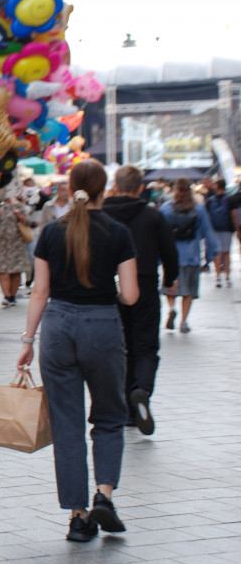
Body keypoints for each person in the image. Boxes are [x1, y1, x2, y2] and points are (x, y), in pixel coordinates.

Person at [17, 159, 139, 543]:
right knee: (108, 416)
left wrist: (27, 341)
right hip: (102, 325)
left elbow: (39, 291)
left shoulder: (51, 232)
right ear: (106, 190)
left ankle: (78, 517)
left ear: (70, 188)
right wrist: (109, 291)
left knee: (67, 424)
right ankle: (104, 494)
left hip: (56, 329)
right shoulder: (119, 232)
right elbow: (131, 296)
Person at [102, 165, 178, 435]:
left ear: (116, 185)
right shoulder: (152, 215)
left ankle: (125, 407)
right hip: (144, 283)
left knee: (121, 347)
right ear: (141, 187)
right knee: (145, 346)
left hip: (109, 287)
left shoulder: (102, 214)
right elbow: (169, 250)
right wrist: (170, 280)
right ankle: (141, 390)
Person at [160, 178, 218, 334]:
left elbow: (160, 233)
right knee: (189, 291)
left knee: (170, 287)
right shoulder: (198, 209)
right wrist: (213, 252)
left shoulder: (166, 208)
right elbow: (208, 232)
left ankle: (172, 308)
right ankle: (184, 321)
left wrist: (158, 255)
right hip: (192, 256)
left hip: (171, 255)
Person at [0, 196, 32, 306]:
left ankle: (12, 296)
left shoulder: (20, 206)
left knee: (16, 270)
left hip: (17, 243)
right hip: (0, 243)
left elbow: (29, 222)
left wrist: (19, 215)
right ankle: (6, 296)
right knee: (2, 269)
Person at [205, 179, 234, 288]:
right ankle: (227, 277)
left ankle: (217, 277)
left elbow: (206, 216)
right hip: (226, 229)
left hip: (214, 229)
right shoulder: (229, 200)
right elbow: (234, 215)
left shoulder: (210, 200)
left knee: (217, 253)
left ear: (217, 186)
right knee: (227, 253)